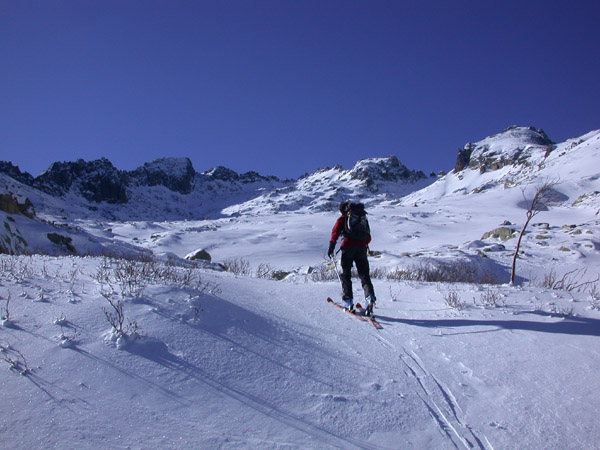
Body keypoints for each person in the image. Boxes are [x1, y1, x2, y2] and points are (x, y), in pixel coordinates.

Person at [328, 201, 376, 315]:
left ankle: (348, 302)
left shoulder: (343, 219)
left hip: (348, 248)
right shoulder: (362, 218)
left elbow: (335, 233)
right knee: (364, 275)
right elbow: (368, 237)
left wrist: (331, 248)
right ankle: (369, 299)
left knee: (346, 275)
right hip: (362, 248)